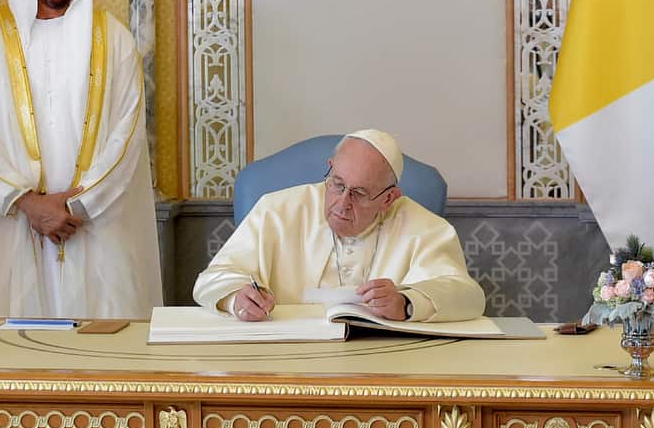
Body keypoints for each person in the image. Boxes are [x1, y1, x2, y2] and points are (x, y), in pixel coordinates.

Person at [0, 0, 161, 318]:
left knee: (100, 353)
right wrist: (27, 202)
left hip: (94, 227)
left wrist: (79, 206)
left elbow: (127, 134)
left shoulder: (113, 38)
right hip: (11, 226)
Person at [193, 130, 485, 322]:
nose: (342, 203)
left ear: (388, 198)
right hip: (288, 363)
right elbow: (211, 280)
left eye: (359, 193)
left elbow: (467, 295)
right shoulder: (276, 211)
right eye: (337, 184)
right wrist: (236, 298)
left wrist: (408, 303)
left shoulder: (424, 228)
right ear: (330, 167)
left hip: (384, 370)